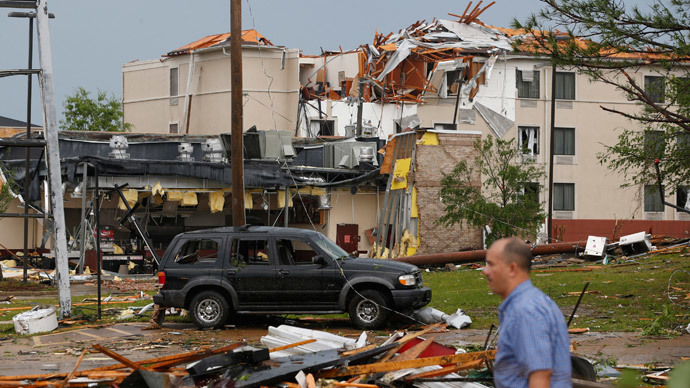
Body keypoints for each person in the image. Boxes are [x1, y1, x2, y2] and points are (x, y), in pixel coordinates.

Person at [483, 237, 572, 388]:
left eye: (491, 265)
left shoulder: (527, 311)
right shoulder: (530, 304)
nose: (485, 271)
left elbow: (540, 379)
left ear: (512, 269)